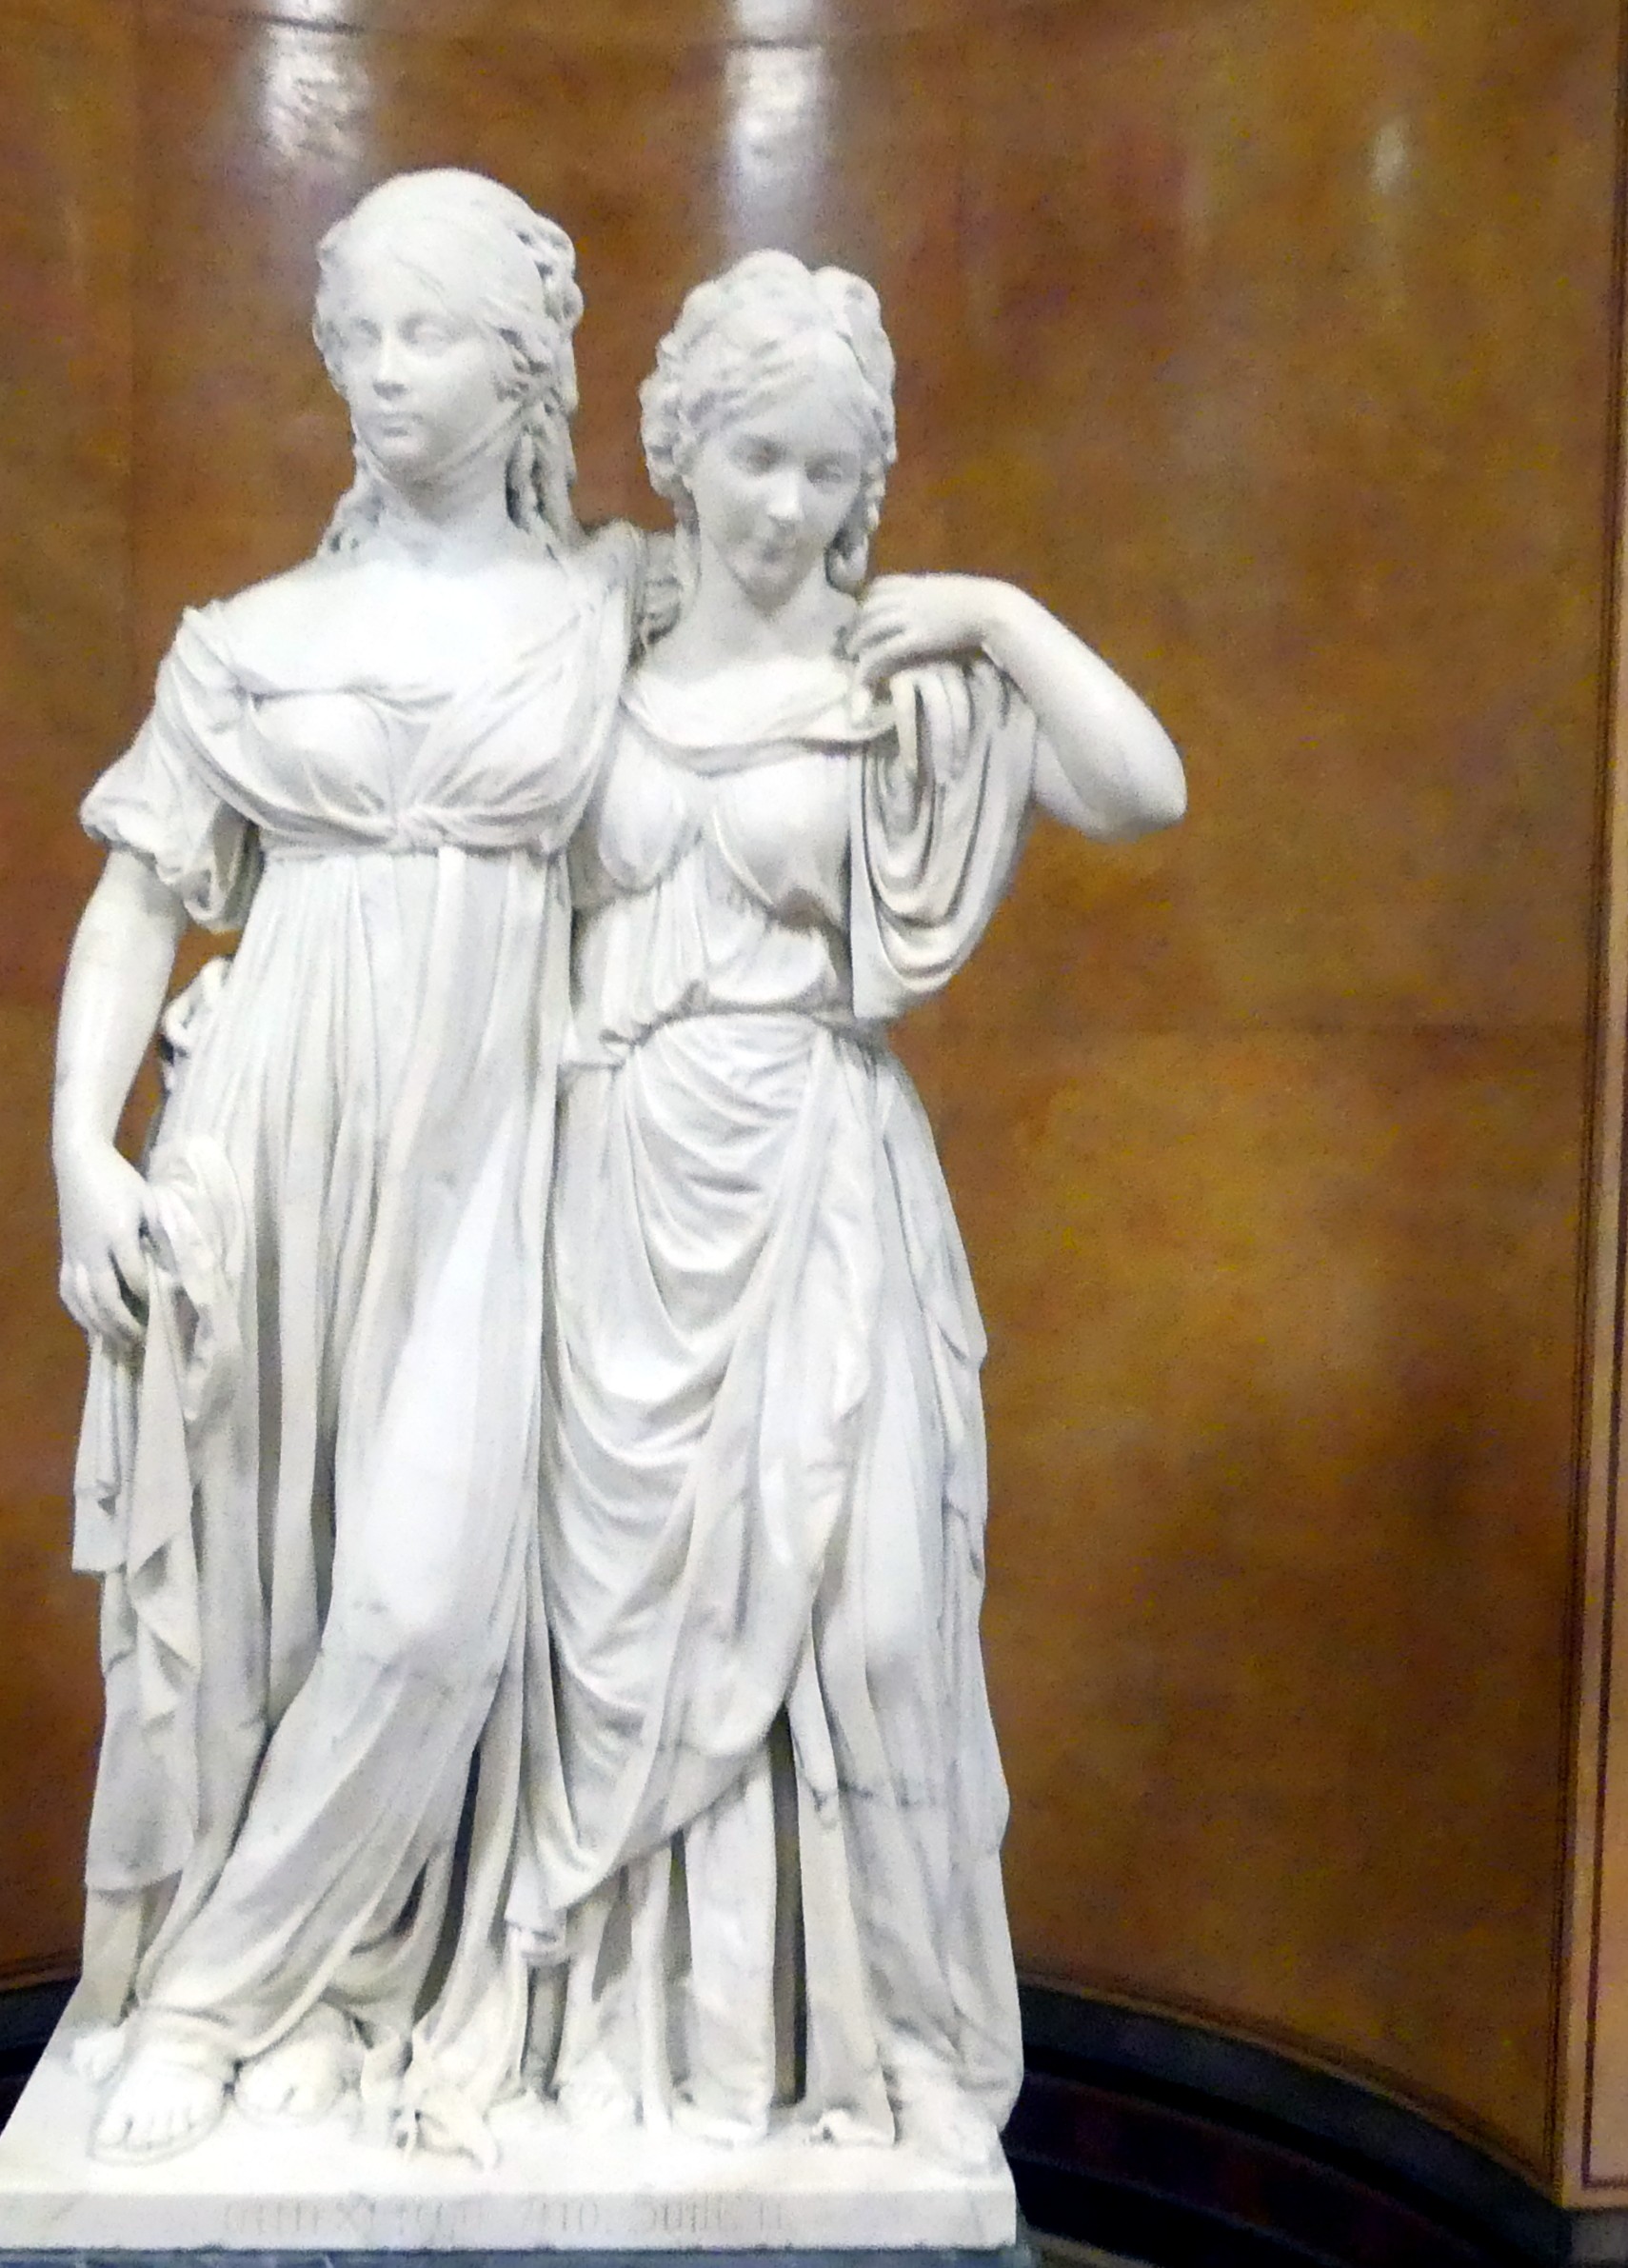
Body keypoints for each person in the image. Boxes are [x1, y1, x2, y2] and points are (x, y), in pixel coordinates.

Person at [511, 249, 1187, 2167]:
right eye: (753, 458)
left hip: (816, 1181)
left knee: (874, 1629)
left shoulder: (898, 686)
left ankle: (881, 2054)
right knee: (613, 1647)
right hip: (611, 1193)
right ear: (678, 447)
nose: (785, 507)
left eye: (825, 469)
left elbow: (1142, 787)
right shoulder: (587, 665)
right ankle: (653, 2057)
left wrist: (994, 611)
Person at [47, 169, 638, 2164]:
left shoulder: (609, 610)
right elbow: (139, 900)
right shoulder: (247, 640)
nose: (384, 372)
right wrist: (78, 1151)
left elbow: (780, 697)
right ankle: (292, 2005)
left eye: (429, 332)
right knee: (264, 1584)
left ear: (525, 362)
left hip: (508, 1145)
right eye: (357, 333)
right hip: (273, 1134)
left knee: (429, 1594)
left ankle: (237, 1988)